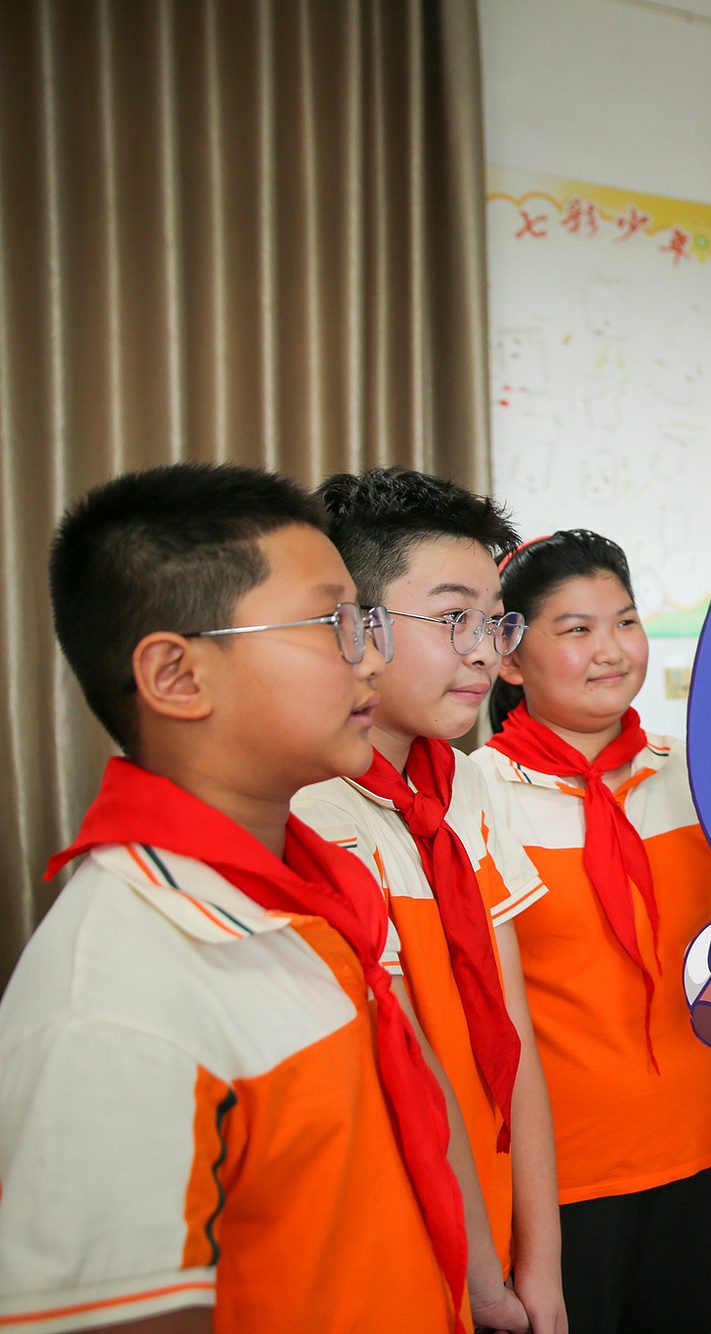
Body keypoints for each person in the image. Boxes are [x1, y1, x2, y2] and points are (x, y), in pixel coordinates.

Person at [0, 463, 462, 1331]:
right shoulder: (114, 1000)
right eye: (333, 623)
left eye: (364, 622)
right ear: (177, 676)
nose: (371, 657)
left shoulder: (307, 896)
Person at [469, 531, 711, 1333]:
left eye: (625, 621)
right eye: (576, 630)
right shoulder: (475, 798)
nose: (611, 650)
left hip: (700, 1149)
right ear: (510, 659)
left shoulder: (695, 777)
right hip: (559, 1180)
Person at [291, 468, 564, 1334]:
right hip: (405, 1248)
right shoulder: (313, 811)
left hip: (491, 1219)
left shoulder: (465, 788)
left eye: (496, 621)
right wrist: (484, 1282)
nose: (486, 652)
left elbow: (512, 1029)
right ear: (358, 627)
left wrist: (541, 1265)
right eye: (454, 620)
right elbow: (411, 1071)